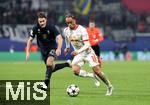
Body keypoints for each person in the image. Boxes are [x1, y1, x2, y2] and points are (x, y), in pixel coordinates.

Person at [64, 13, 113, 96]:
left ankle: (109, 86)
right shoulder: (66, 30)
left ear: (74, 20)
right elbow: (67, 38)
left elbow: (87, 45)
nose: (69, 24)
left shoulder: (82, 30)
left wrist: (78, 51)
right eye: (67, 23)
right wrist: (67, 47)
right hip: (79, 54)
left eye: (70, 22)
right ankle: (91, 76)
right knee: (75, 71)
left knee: (97, 71)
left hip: (88, 53)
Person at [26, 12, 71, 91]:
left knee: (49, 63)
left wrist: (58, 48)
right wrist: (27, 52)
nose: (42, 23)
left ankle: (45, 85)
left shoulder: (51, 27)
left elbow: (60, 38)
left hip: (52, 48)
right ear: (38, 21)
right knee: (51, 68)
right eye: (40, 21)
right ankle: (67, 64)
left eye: (43, 21)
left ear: (46, 20)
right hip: (43, 50)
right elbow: (30, 40)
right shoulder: (35, 28)